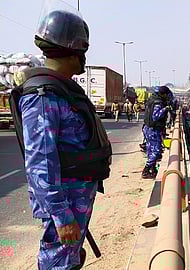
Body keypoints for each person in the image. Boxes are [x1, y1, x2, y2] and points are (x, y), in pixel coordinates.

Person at [10, 7, 112, 270]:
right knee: (58, 263)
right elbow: (40, 161)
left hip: (74, 196)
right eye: (82, 50)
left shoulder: (61, 88)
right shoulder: (43, 96)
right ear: (73, 50)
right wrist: (62, 215)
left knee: (68, 260)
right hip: (65, 201)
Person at [141, 85, 176, 179]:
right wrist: (166, 109)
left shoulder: (152, 99)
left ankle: (152, 169)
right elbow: (155, 116)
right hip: (153, 129)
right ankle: (146, 169)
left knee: (150, 150)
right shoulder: (158, 102)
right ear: (163, 94)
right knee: (156, 151)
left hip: (148, 128)